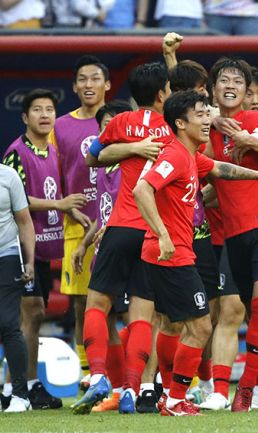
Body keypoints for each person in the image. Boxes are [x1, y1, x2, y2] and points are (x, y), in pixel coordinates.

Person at [133, 90, 258, 416]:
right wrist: (163, 234)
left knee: (180, 326)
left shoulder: (190, 155)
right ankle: (173, 398)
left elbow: (221, 170)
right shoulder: (173, 155)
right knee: (200, 327)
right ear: (180, 122)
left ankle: (170, 395)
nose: (207, 119)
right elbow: (141, 189)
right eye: (201, 114)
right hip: (171, 251)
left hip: (172, 251)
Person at [73, 62, 170, 415]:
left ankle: (99, 375)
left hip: (118, 226)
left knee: (97, 305)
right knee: (143, 316)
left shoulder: (117, 122)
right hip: (153, 230)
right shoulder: (173, 128)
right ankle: (132, 388)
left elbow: (91, 157)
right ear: (163, 94)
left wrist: (129, 147)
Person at [203, 57, 258, 412]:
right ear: (214, 89)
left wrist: (246, 140)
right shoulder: (207, 128)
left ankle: (246, 390)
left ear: (247, 90)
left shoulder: (256, 120)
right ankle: (235, 391)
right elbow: (202, 168)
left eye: (238, 80)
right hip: (231, 234)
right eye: (224, 80)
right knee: (240, 315)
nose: (231, 85)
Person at [2, 89, 86, 411]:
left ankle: (25, 386)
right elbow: (17, 201)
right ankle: (18, 388)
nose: (44, 115)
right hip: (22, 247)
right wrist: (60, 204)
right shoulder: (15, 153)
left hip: (47, 245)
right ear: (25, 117)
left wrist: (70, 210)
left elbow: (58, 194)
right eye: (37, 110)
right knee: (30, 312)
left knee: (32, 318)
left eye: (49, 109)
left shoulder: (53, 151)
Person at [50, 55, 110, 390]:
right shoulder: (59, 125)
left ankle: (122, 374)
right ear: (74, 86)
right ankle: (88, 375)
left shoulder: (119, 120)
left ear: (108, 84)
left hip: (115, 223)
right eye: (82, 79)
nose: (89, 85)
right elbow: (51, 174)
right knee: (82, 304)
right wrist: (67, 208)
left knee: (122, 305)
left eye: (95, 78)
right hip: (77, 226)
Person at [71, 100, 134, 413]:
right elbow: (103, 209)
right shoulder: (104, 164)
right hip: (106, 245)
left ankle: (140, 387)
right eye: (103, 126)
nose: (109, 130)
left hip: (129, 244)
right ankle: (118, 388)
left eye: (114, 123)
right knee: (107, 318)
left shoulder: (132, 160)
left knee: (133, 317)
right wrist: (84, 244)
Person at [0, 159, 36, 413]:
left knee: (9, 323)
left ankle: (20, 395)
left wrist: (30, 261)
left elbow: (24, 220)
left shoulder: (8, 175)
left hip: (7, 255)